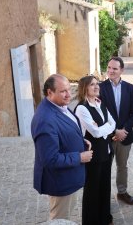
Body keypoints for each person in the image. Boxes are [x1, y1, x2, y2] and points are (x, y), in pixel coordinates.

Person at [31, 74, 93, 221]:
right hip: (60, 182)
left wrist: (79, 140)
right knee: (60, 220)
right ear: (49, 93)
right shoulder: (45, 120)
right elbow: (50, 159)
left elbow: (64, 130)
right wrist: (79, 157)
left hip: (68, 178)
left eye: (69, 89)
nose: (68, 95)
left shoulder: (59, 105)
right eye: (63, 91)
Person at [74, 75, 117, 225]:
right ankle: (91, 221)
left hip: (106, 152)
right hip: (93, 155)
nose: (96, 86)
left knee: (105, 187)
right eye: (92, 84)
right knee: (92, 189)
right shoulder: (81, 108)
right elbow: (95, 132)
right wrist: (105, 128)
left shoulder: (100, 104)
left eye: (97, 84)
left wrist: (103, 128)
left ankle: (105, 218)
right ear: (85, 87)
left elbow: (114, 123)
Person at [99, 56, 133, 205]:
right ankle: (103, 197)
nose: (111, 71)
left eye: (115, 68)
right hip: (106, 137)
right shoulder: (100, 88)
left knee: (122, 166)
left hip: (125, 136)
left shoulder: (130, 88)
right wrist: (114, 131)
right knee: (105, 168)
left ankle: (122, 192)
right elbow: (99, 114)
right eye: (109, 68)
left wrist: (123, 130)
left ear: (122, 70)